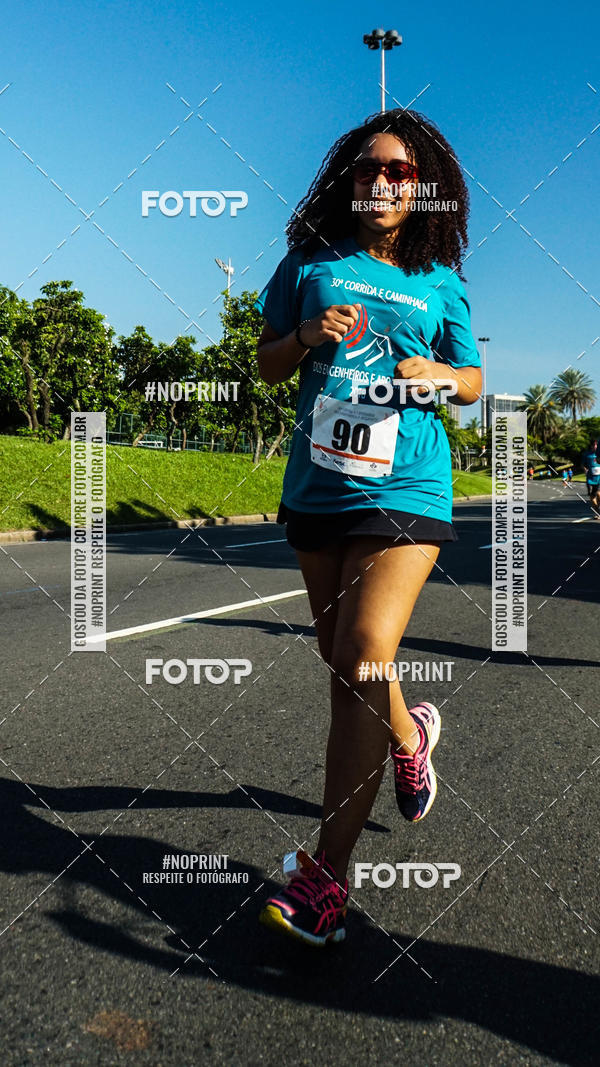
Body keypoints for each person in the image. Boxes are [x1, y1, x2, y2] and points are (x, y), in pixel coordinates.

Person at [254, 108, 482, 946]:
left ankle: (325, 880)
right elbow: (267, 360)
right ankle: (411, 729)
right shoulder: (310, 263)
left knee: (360, 654)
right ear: (346, 181)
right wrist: (307, 335)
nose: (380, 181)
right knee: (342, 657)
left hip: (410, 481)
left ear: (422, 188)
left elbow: (473, 376)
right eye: (366, 169)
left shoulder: (441, 282)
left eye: (396, 171)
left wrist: (443, 373)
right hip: (320, 486)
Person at [582, 442, 600, 517]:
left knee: (599, 494)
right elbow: (583, 464)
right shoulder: (586, 454)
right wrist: (585, 470)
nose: (595, 446)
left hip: (599, 477)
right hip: (590, 478)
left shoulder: (599, 454)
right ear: (591, 446)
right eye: (594, 445)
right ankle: (597, 511)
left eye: (596, 445)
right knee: (592, 495)